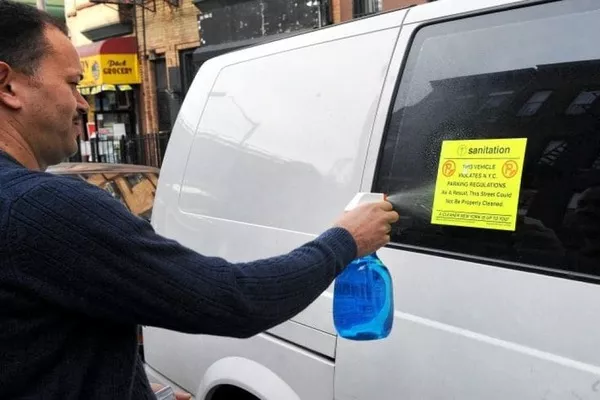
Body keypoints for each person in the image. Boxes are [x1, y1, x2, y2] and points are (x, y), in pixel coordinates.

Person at [0, 1, 400, 399]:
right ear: (8, 86)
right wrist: (347, 239)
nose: (83, 103)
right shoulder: (40, 208)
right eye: (72, 83)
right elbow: (235, 300)